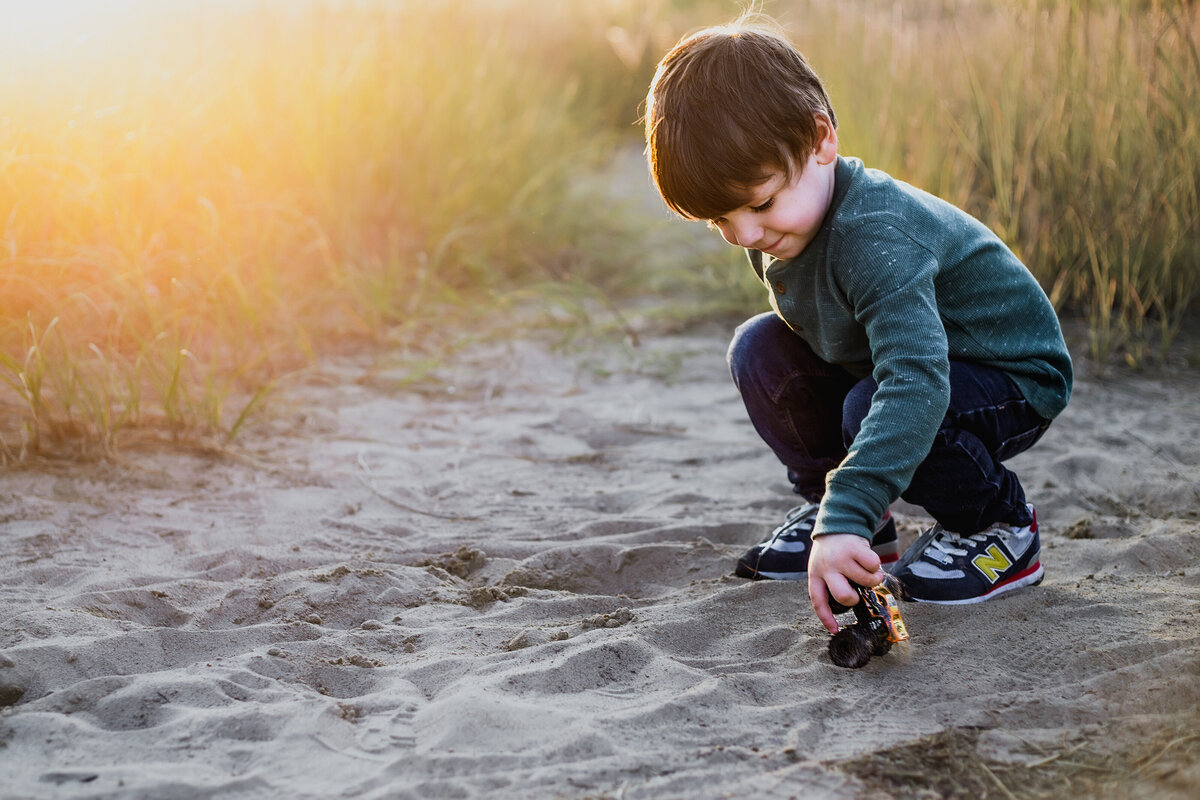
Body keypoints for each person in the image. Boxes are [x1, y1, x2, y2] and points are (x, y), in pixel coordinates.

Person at [643, 18, 1073, 634]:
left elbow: (916, 383)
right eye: (720, 220)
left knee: (873, 403)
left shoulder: (874, 235)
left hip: (1008, 373)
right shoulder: (785, 224)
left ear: (821, 140)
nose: (745, 235)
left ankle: (999, 524)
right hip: (903, 363)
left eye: (759, 203)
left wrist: (842, 517)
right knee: (759, 349)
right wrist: (843, 512)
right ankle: (856, 516)